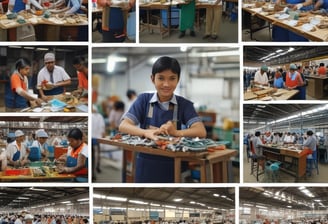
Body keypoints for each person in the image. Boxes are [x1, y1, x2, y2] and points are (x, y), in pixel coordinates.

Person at [119, 56, 206, 183]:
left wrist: (177, 133)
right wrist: (145, 132)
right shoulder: (144, 100)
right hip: (145, 166)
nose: (166, 84)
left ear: (178, 80)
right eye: (161, 78)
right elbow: (123, 125)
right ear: (152, 78)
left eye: (172, 78)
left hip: (174, 166)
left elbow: (201, 131)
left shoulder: (184, 105)